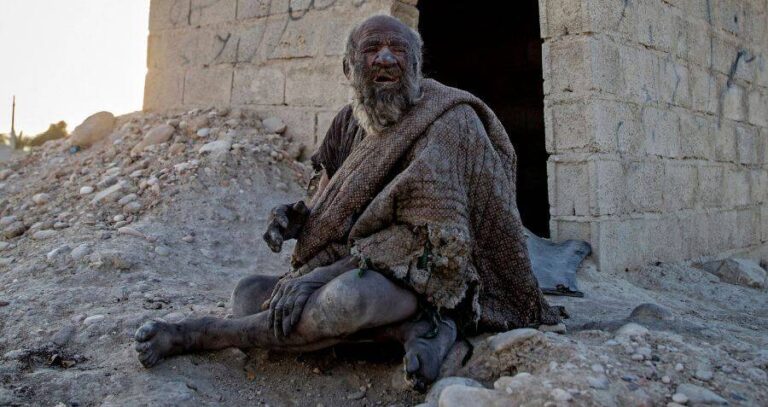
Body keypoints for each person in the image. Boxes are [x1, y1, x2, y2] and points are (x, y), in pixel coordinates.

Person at [135, 15, 563, 391]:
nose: (385, 58)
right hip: (360, 264)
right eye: (371, 49)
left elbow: (434, 245)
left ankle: (203, 335)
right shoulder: (349, 121)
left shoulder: (448, 121)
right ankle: (412, 331)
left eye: (397, 49)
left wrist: (312, 280)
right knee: (248, 295)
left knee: (348, 300)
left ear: (415, 65)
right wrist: (294, 218)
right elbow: (329, 199)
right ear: (349, 67)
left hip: (427, 276)